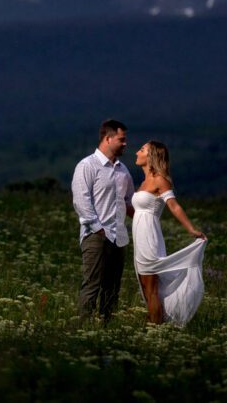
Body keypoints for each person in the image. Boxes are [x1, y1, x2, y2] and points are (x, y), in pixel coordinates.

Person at [132, 140, 207, 326]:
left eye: (141, 150)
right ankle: (153, 322)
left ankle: (155, 328)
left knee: (151, 287)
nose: (136, 152)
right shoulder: (143, 182)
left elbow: (173, 206)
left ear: (151, 156)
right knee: (144, 285)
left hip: (149, 235)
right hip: (139, 236)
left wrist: (191, 229)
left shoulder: (160, 180)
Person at [71, 118, 136, 323]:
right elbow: (81, 201)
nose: (125, 144)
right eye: (121, 139)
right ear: (108, 138)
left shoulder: (123, 171)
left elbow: (129, 202)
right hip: (96, 235)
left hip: (119, 237)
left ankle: (107, 329)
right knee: (92, 285)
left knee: (113, 287)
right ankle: (83, 328)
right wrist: (98, 229)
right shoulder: (87, 166)